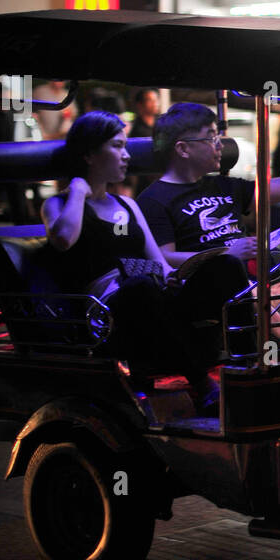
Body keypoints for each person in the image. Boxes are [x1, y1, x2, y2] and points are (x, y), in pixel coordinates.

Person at [41, 112, 250, 413]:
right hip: (109, 313)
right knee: (139, 287)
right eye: (117, 146)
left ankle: (249, 367)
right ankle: (202, 384)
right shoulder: (58, 205)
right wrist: (77, 191)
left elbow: (159, 263)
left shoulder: (126, 205)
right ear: (89, 154)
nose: (126, 156)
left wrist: (175, 276)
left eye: (125, 146)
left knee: (226, 266)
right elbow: (63, 239)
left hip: (152, 295)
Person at [137, 100, 280, 266]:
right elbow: (164, 258)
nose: (220, 146)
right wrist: (226, 254)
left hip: (252, 279)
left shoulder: (224, 185)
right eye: (211, 138)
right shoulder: (152, 200)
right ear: (183, 149)